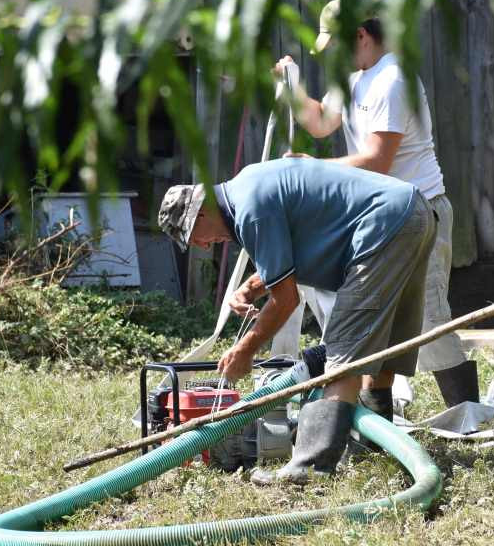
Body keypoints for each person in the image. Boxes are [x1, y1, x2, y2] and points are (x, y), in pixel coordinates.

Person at [157, 158, 437, 484]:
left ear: (201, 210)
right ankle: (373, 452)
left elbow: (286, 299)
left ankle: (307, 471)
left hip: (384, 226)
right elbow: (288, 258)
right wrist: (249, 289)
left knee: (342, 357)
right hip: (412, 213)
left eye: (195, 237)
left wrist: (244, 352)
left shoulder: (251, 210)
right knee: (385, 350)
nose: (203, 245)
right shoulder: (248, 192)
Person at [273, 0, 478, 418]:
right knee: (376, 318)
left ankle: (469, 413)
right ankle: (376, 420)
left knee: (430, 321)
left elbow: (376, 160)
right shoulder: (355, 79)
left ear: (362, 35)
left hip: (423, 212)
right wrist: (289, 85)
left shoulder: (393, 80)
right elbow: (320, 123)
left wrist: (313, 169)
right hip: (385, 218)